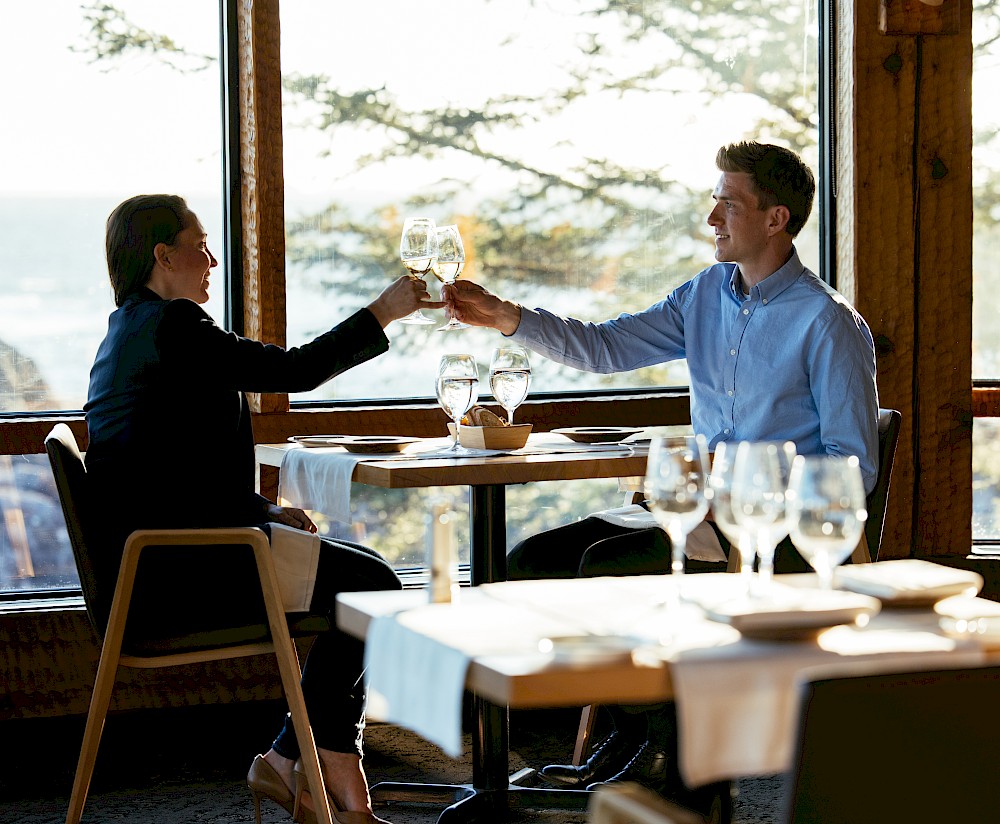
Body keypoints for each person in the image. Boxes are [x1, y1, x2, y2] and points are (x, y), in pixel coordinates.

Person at [444, 141, 879, 803]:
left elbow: (852, 466)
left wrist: (745, 497)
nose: (711, 217)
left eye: (727, 203)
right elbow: (605, 346)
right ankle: (636, 730)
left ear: (774, 219)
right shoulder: (705, 294)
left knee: (607, 570)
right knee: (530, 562)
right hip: (694, 517)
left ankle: (683, 759)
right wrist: (507, 316)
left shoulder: (828, 322)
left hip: (772, 534)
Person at [85, 194, 444, 824]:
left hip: (163, 558)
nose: (213, 259)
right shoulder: (174, 328)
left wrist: (259, 508)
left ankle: (293, 760)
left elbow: (165, 472)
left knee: (367, 576)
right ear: (162, 255)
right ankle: (321, 757)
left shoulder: (131, 331)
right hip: (187, 570)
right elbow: (295, 371)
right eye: (200, 246)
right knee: (375, 588)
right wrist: (384, 311)